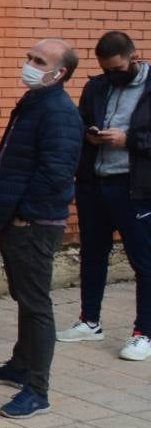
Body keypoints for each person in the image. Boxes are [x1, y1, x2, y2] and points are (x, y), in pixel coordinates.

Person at [0, 39, 84, 418]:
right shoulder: (36, 104)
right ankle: (20, 365)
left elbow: (57, 174)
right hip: (19, 220)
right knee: (25, 297)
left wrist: (24, 213)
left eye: (39, 61)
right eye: (29, 58)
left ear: (59, 73)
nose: (29, 65)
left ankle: (37, 390)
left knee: (36, 304)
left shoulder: (58, 113)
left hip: (34, 224)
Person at [66, 32, 151, 360]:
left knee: (143, 262)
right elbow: (81, 121)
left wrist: (128, 140)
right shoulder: (96, 86)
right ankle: (89, 321)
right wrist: (88, 134)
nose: (112, 75)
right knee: (92, 255)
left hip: (135, 188)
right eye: (106, 69)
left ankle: (143, 332)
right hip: (93, 183)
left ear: (135, 57)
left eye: (117, 68)